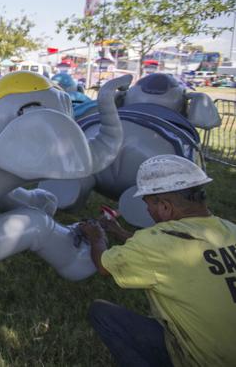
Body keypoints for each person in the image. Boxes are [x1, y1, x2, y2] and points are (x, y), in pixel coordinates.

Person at [80, 154, 236, 366]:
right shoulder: (229, 229)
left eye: (148, 205)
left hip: (204, 361)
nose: (148, 211)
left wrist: (96, 236)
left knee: (101, 313)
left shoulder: (156, 242)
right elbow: (172, 248)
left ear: (164, 207)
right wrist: (120, 232)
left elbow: (104, 266)